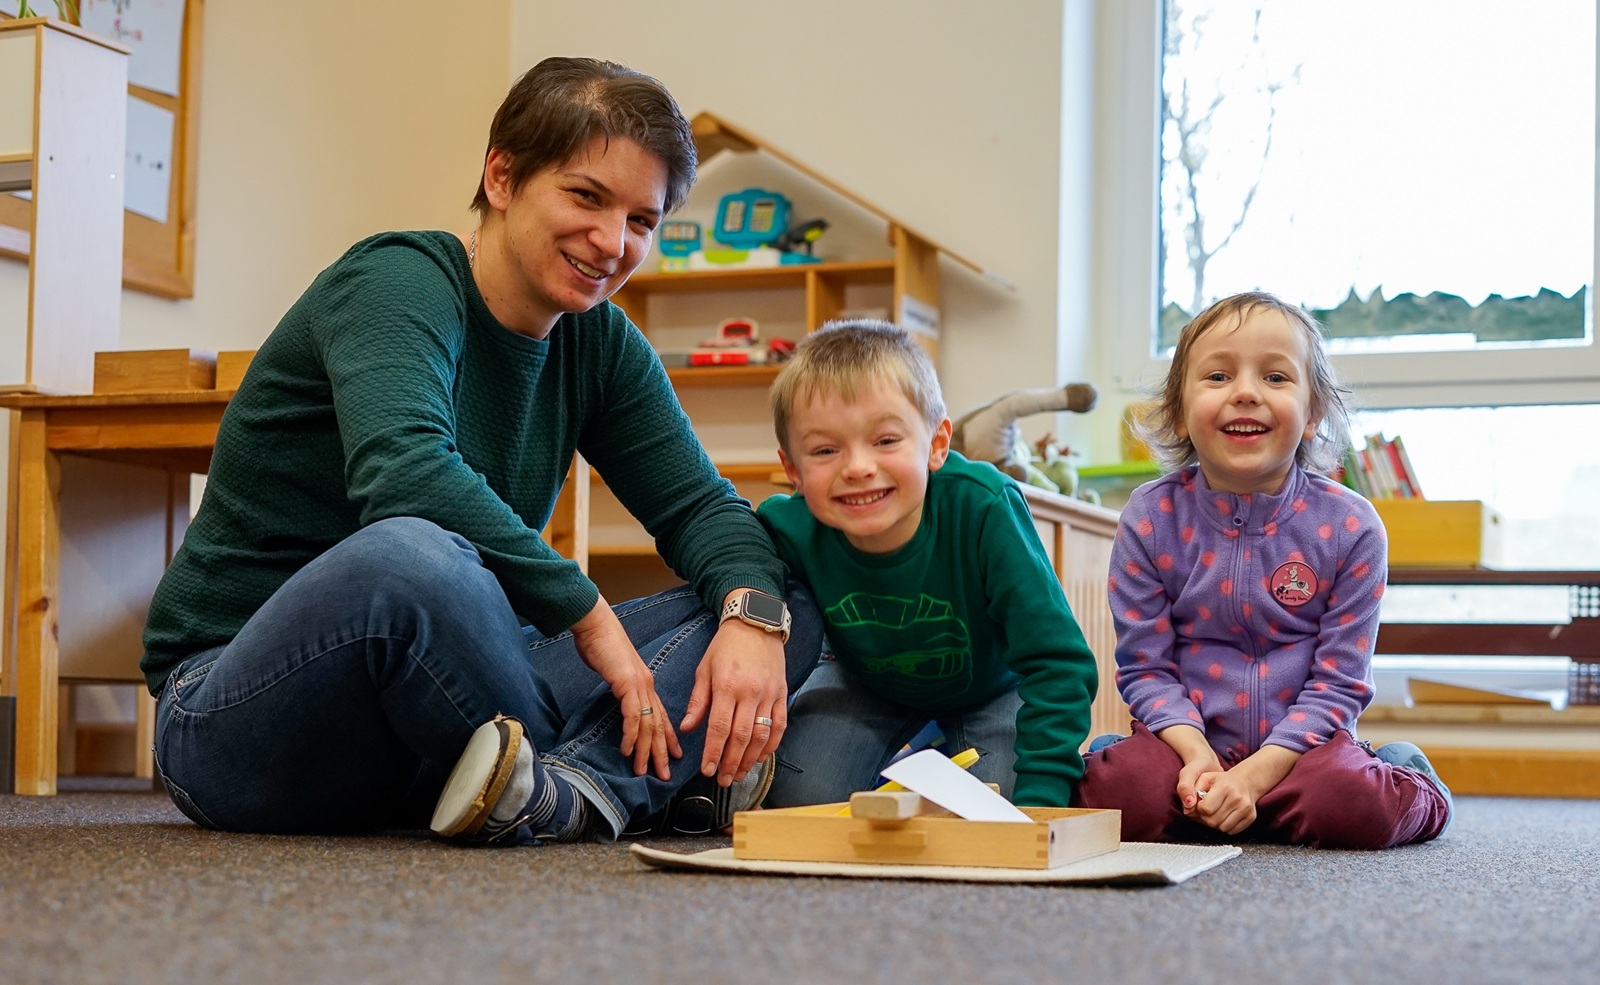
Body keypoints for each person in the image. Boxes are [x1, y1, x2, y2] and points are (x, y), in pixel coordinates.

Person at [140, 56, 821, 846]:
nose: (612, 242)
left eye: (641, 220)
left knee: (788, 589)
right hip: (233, 709)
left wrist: (751, 617)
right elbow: (404, 473)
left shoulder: (601, 343)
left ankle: (567, 792)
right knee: (409, 556)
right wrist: (588, 614)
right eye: (586, 196)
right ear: (501, 177)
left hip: (451, 706)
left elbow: (703, 509)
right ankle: (633, 781)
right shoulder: (396, 281)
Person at [1072, 291, 1453, 848]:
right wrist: (1196, 757)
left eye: (1275, 377)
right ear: (1177, 412)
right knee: (1119, 797)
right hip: (1187, 749)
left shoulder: (1352, 526)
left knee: (1349, 806)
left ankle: (1407, 774)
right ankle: (1147, 767)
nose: (1246, 392)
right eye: (1218, 376)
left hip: (1302, 752)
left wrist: (1254, 776)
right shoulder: (1150, 518)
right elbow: (1145, 668)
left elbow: (1339, 683)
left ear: (1312, 413)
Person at [755, 320, 1099, 809]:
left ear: (937, 445)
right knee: (800, 797)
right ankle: (913, 764)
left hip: (993, 689)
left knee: (1001, 806)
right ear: (793, 469)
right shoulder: (785, 528)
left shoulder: (983, 506)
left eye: (885, 441)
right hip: (864, 685)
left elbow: (1059, 660)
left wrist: (1041, 802)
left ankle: (932, 762)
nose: (858, 467)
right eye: (825, 450)